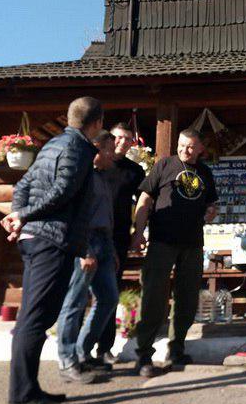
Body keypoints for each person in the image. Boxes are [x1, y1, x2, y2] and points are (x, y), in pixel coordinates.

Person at [2, 97, 103, 404]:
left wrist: (20, 218)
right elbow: (63, 191)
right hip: (52, 239)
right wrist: (24, 216)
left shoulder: (51, 145)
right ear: (96, 123)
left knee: (35, 318)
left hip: (37, 238)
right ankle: (22, 396)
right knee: (34, 319)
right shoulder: (80, 149)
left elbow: (22, 186)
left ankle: (29, 389)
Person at [130, 128, 218, 377]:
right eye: (181, 145)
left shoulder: (204, 172)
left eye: (190, 146)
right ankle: (144, 354)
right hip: (162, 241)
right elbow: (145, 200)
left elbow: (211, 204)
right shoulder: (164, 165)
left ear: (200, 148)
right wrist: (138, 234)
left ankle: (176, 347)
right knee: (154, 296)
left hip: (192, 242)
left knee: (187, 297)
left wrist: (212, 212)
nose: (184, 150)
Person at [55, 131, 120, 383]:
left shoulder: (103, 178)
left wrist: (111, 247)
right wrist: (84, 250)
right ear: (96, 149)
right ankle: (67, 360)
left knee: (108, 298)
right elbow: (73, 216)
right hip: (85, 242)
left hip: (104, 243)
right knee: (74, 302)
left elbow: (106, 216)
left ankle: (82, 352)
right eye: (109, 149)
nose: (113, 155)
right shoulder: (81, 176)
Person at [95, 122, 145, 365]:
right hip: (90, 236)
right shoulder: (95, 165)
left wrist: (139, 232)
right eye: (118, 137)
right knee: (81, 293)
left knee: (110, 292)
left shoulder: (134, 171)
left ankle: (104, 349)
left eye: (127, 139)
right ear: (109, 138)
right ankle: (77, 347)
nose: (122, 142)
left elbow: (144, 203)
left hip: (118, 239)